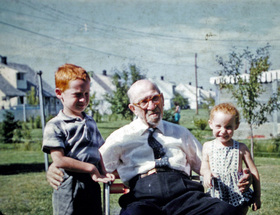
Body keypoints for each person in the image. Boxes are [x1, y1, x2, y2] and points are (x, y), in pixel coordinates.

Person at [47, 79, 251, 215]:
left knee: (226, 212)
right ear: (133, 108)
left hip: (184, 194)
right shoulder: (120, 137)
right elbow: (93, 161)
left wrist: (237, 176)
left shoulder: (181, 133)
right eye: (144, 102)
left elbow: (205, 165)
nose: (152, 105)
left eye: (155, 98)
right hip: (143, 197)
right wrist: (58, 165)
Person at [42, 64, 115, 215]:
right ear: (59, 93)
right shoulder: (55, 125)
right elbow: (59, 160)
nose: (83, 99)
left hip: (91, 182)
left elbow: (99, 150)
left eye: (87, 93)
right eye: (77, 94)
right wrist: (92, 168)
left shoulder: (90, 121)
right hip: (69, 182)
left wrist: (103, 170)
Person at [200, 103, 261, 214]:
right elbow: (203, 168)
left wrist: (257, 196)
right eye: (218, 126)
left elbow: (254, 172)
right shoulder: (207, 146)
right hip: (217, 193)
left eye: (228, 127)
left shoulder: (241, 148)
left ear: (236, 126)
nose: (223, 131)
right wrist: (207, 173)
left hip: (238, 193)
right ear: (211, 124)